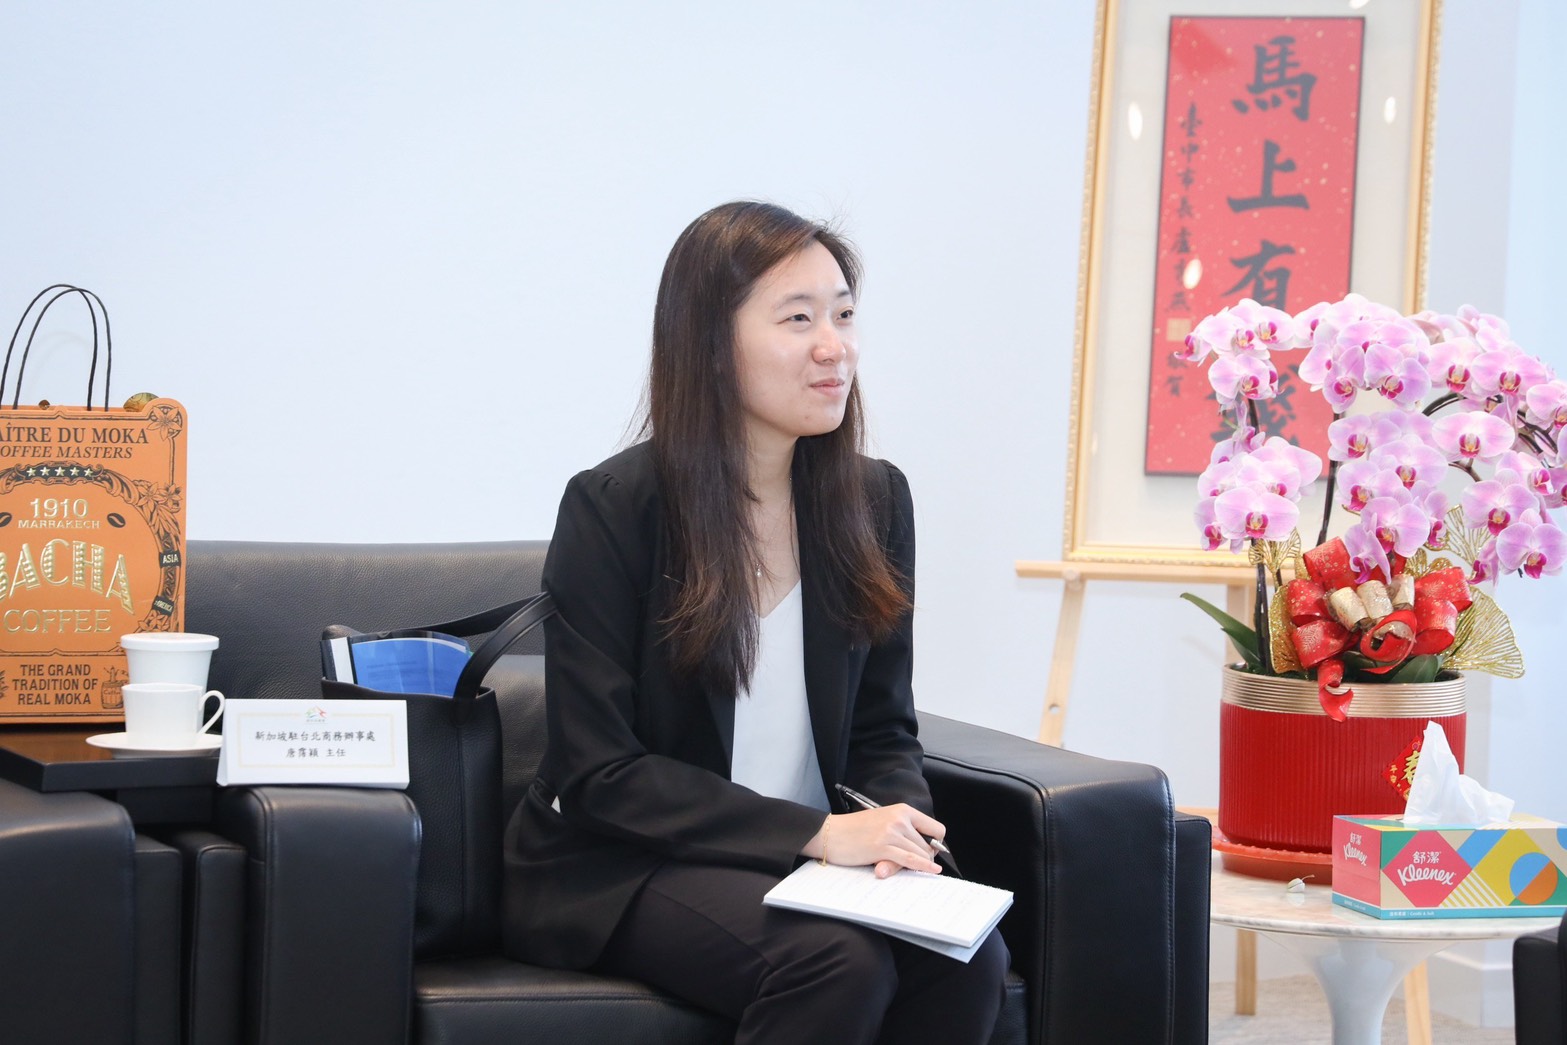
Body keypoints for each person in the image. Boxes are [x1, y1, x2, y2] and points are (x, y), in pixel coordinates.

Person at [502, 200, 1009, 1043]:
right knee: (834, 959)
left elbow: (881, 726)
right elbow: (600, 772)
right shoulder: (615, 506)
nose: (833, 347)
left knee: (966, 954)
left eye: (843, 315)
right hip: (627, 861)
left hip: (812, 855)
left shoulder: (873, 500)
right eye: (798, 319)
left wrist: (895, 834)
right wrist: (818, 834)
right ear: (709, 343)